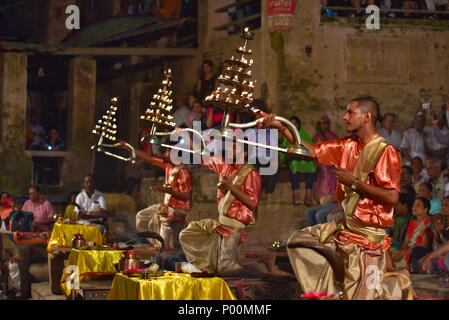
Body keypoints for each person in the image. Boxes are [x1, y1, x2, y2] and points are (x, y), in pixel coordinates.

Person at [260, 96, 413, 299]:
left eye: (350, 112)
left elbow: (393, 197)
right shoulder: (347, 145)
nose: (344, 117)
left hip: (368, 237)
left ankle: (399, 281)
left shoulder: (386, 151)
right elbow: (311, 151)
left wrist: (355, 183)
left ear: (366, 116)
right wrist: (280, 126)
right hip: (346, 228)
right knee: (299, 241)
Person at [179, 138, 291, 277]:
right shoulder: (225, 166)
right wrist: (186, 135)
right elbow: (202, 156)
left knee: (226, 268)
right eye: (229, 149)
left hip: (235, 226)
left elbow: (252, 202)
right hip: (220, 223)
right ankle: (262, 260)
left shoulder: (251, 173)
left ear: (244, 153)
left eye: (234, 149)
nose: (230, 152)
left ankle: (262, 267)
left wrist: (230, 187)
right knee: (187, 235)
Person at [118, 140, 192, 249]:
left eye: (167, 151)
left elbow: (186, 197)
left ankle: (161, 246)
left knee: (166, 238)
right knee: (141, 216)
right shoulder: (168, 166)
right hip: (167, 207)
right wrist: (128, 147)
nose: (164, 153)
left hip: (178, 210)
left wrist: (166, 190)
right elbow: (149, 158)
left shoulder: (184, 172)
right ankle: (157, 244)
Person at [279, 116, 317, 206]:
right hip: (293, 160)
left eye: (295, 123)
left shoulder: (304, 135)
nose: (293, 126)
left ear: (299, 125)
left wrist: (304, 155)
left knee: (312, 167)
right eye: (291, 124)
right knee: (295, 166)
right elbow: (283, 150)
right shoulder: (286, 136)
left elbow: (311, 149)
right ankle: (296, 195)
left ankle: (308, 195)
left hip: (304, 159)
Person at [392, 197, 433, 272]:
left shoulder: (429, 222)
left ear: (425, 209)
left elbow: (425, 245)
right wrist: (401, 251)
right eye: (413, 205)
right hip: (409, 249)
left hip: (419, 251)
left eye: (418, 205)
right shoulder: (412, 222)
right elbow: (405, 242)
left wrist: (405, 252)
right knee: (390, 251)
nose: (414, 207)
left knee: (411, 254)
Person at [312, 115, 339, 203]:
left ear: (328, 124)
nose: (322, 125)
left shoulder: (334, 137)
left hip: (330, 165)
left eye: (324, 123)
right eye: (320, 123)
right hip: (320, 165)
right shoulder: (316, 137)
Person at [0, 233, 22, 299]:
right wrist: (1, 266)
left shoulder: (3, 237)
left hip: (4, 260)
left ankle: (14, 289)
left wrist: (15, 257)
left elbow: (13, 247)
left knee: (14, 265)